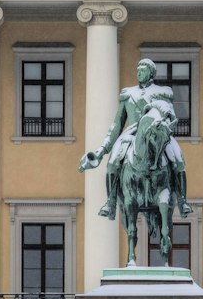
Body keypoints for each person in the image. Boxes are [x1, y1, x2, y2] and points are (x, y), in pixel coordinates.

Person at [80, 58, 194, 221]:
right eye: (138, 69)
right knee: (112, 163)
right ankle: (110, 203)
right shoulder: (128, 94)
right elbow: (117, 124)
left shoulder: (162, 93)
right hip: (131, 134)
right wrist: (101, 151)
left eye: (143, 69)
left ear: (151, 73)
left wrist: (163, 130)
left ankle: (182, 201)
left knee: (178, 160)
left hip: (159, 134)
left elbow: (170, 117)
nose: (139, 72)